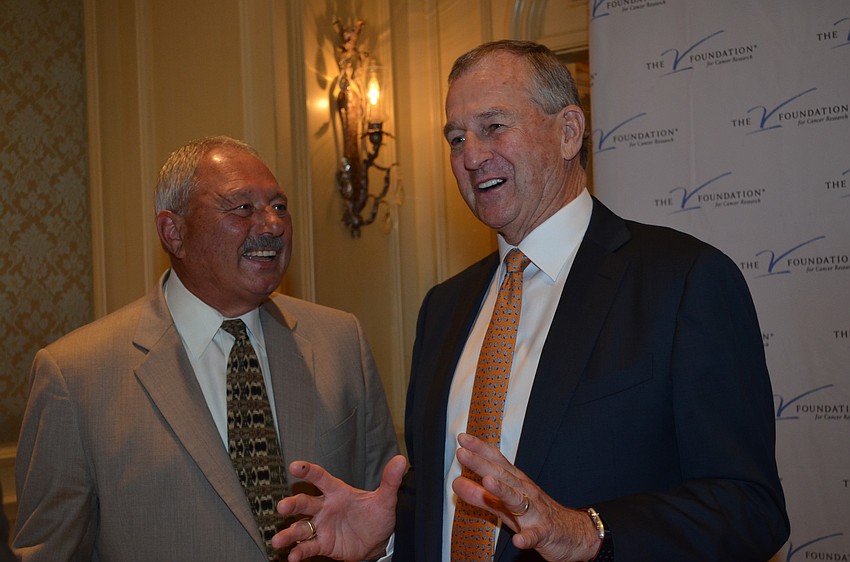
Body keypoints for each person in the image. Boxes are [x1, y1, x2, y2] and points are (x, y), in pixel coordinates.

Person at [272, 40, 789, 562]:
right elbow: (449, 505)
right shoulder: (444, 309)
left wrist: (589, 532)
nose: (471, 156)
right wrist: (387, 536)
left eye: (494, 126)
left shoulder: (683, 281)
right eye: (455, 138)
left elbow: (750, 508)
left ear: (568, 133)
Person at [13, 136, 399, 561]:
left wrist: (382, 546)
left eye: (279, 206)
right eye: (242, 208)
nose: (272, 224)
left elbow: (383, 509)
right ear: (173, 232)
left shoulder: (341, 341)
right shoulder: (76, 376)